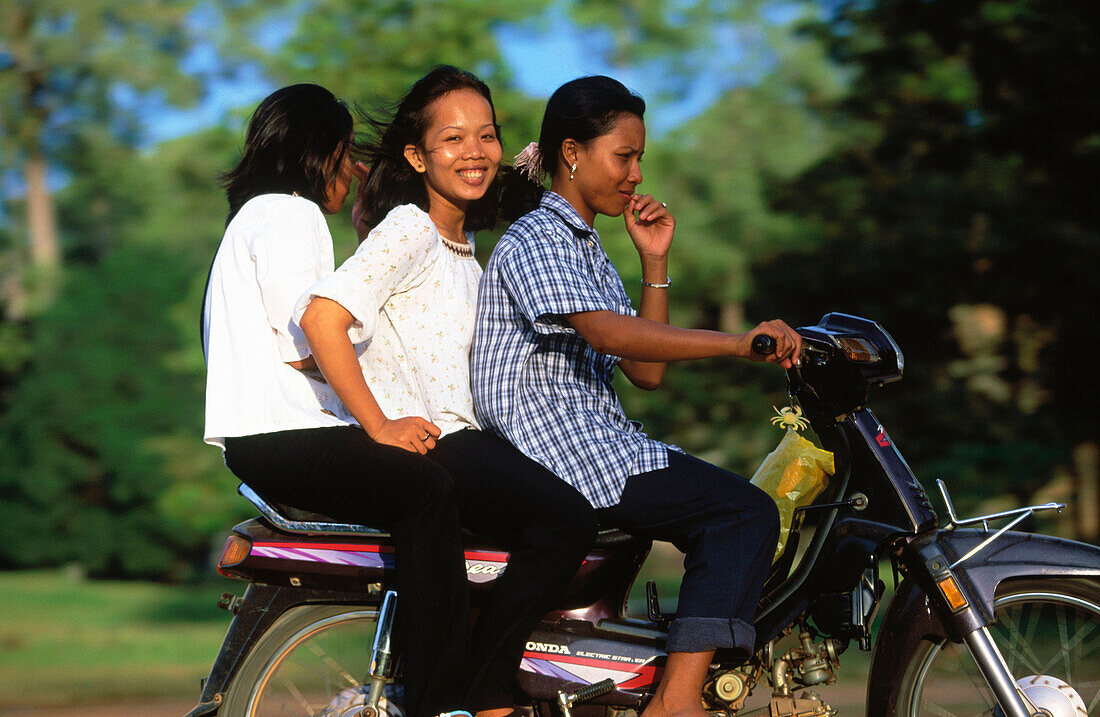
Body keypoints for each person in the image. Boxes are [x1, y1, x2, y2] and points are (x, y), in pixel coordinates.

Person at [471, 75, 800, 717]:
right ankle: (677, 702)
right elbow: (603, 330)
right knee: (742, 513)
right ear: (572, 152)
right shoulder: (536, 238)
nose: (635, 173)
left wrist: (654, 261)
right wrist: (739, 344)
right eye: (624, 156)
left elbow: (644, 371)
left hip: (593, 441)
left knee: (728, 509)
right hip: (561, 448)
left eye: (638, 158)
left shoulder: (584, 247)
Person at [295, 66, 597, 717]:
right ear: (415, 154)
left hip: (474, 439)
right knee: (567, 517)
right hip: (441, 441)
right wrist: (378, 424)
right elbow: (324, 316)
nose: (473, 151)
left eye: (485, 136)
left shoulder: (466, 249)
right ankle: (485, 693)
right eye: (453, 138)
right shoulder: (410, 227)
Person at [202, 83, 470, 717]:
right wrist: (381, 422)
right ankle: (443, 700)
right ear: (318, 151)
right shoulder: (290, 215)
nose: (353, 170)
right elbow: (313, 340)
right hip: (285, 434)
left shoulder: (255, 219)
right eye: (347, 152)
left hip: (262, 437)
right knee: (431, 490)